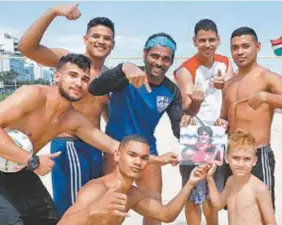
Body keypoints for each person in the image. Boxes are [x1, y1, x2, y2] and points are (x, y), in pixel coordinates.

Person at [0, 54, 120, 225]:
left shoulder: (72, 118)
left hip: (20, 169)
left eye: (85, 79)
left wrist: (151, 157)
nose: (79, 83)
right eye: (73, 75)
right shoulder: (32, 95)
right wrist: (31, 161)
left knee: (50, 220)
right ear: (57, 77)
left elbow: (112, 146)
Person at [17, 3, 115, 215]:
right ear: (85, 39)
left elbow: (103, 110)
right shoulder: (70, 63)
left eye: (106, 38)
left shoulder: (108, 75)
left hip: (95, 148)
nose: (101, 41)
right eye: (96, 36)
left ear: (113, 44)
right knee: (72, 210)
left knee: (93, 207)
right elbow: (26, 47)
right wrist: (53, 12)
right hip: (71, 145)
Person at [89, 32, 183, 225]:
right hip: (115, 149)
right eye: (154, 56)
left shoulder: (172, 90)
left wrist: (190, 121)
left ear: (171, 62)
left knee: (154, 207)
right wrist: (122, 68)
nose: (159, 62)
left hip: (148, 152)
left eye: (166, 59)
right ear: (144, 54)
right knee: (111, 209)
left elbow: (178, 129)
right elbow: (95, 88)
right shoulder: (126, 75)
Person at [215, 26, 282, 209]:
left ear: (258, 47)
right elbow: (224, 118)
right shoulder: (229, 84)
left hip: (257, 153)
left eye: (245, 46)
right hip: (232, 153)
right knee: (235, 207)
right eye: (235, 47)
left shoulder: (267, 78)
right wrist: (221, 122)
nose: (240, 52)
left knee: (262, 210)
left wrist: (266, 97)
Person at [58, 134, 210, 225]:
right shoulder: (97, 189)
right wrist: (93, 210)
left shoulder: (132, 194)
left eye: (144, 158)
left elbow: (166, 215)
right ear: (117, 156)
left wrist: (190, 183)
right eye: (132, 155)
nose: (138, 162)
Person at [174, 19, 232, 225]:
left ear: (218, 40)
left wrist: (226, 85)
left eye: (211, 40)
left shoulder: (225, 62)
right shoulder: (186, 69)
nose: (207, 44)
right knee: (192, 189)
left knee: (213, 188)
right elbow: (187, 108)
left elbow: (230, 96)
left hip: (219, 133)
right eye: (202, 40)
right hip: (195, 133)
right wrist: (196, 100)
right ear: (194, 41)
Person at [207, 129, 276, 225]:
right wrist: (210, 178)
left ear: (255, 161)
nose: (241, 164)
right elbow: (218, 204)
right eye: (236, 158)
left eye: (247, 159)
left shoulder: (259, 188)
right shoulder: (230, 181)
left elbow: (271, 223)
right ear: (227, 158)